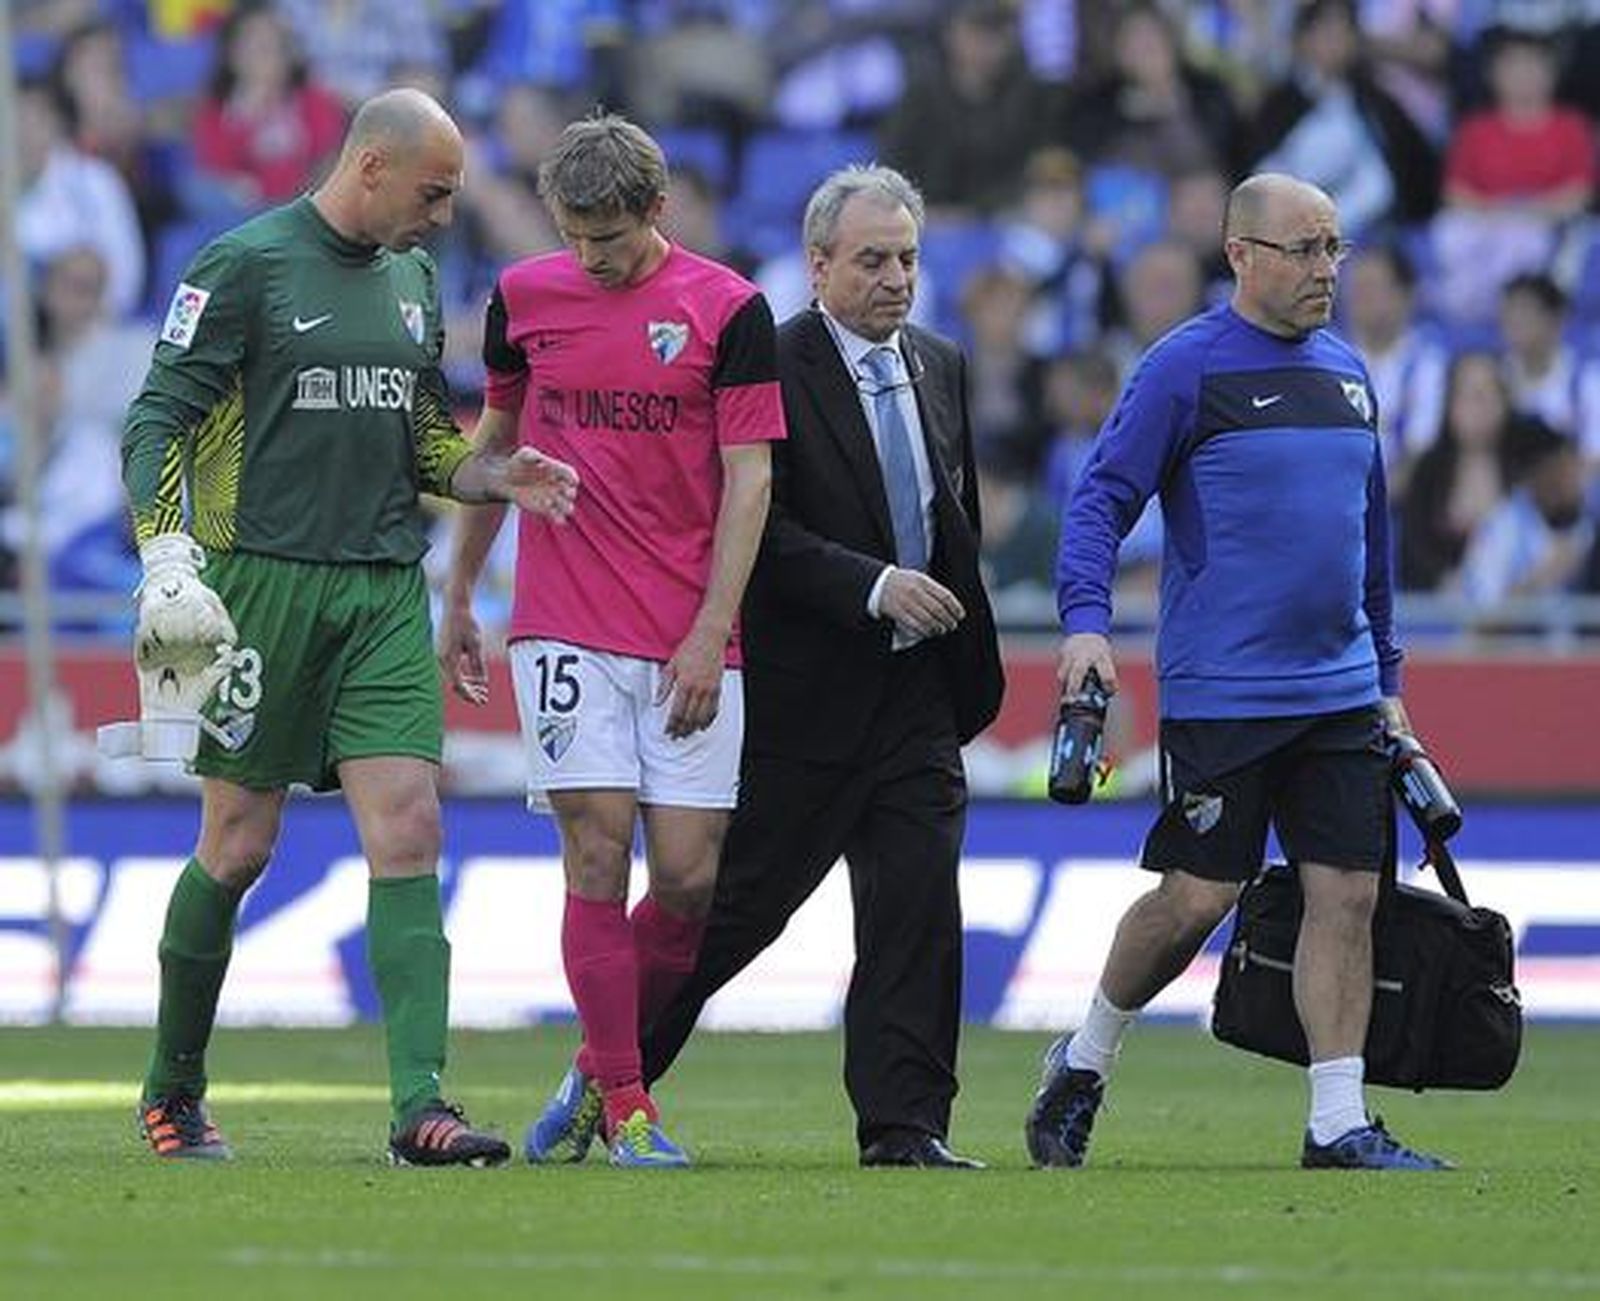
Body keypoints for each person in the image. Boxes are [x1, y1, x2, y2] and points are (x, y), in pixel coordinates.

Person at [120, 88, 579, 1166]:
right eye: (434, 191)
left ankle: (420, 1103)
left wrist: (484, 472)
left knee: (411, 825)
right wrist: (168, 552)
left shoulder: (416, 282)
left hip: (381, 587)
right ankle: (172, 1087)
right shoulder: (243, 265)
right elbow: (155, 420)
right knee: (239, 845)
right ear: (371, 166)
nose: (444, 214)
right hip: (259, 588)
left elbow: (421, 434)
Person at [1027, 173, 1451, 1172]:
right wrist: (1085, 625)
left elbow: (1369, 543)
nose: (1325, 270)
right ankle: (1084, 1056)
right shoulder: (1185, 369)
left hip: (1341, 690)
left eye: (1335, 248)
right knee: (1195, 898)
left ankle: (1336, 1120)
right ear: (1241, 255)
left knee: (1345, 893)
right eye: (1304, 249)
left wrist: (1386, 677)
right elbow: (1099, 501)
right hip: (1224, 689)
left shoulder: (1349, 374)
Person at [637, 164, 1005, 1168]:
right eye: (873, 260)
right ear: (818, 265)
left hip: (914, 694)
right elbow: (758, 524)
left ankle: (904, 1125)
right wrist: (872, 584)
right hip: (804, 696)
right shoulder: (772, 359)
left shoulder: (939, 363)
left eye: (908, 259)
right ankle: (608, 1076)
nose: (895, 279)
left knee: (918, 910)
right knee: (732, 911)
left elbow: (947, 513)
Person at [438, 113, 783, 1169]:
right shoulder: (523, 300)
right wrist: (457, 592)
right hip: (564, 617)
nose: (590, 257)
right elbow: (495, 450)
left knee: (683, 879)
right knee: (594, 849)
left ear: (657, 210)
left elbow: (750, 478)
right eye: (575, 236)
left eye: (610, 238)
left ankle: (592, 1068)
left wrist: (711, 627)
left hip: (686, 627)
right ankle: (631, 1107)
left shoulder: (730, 311)